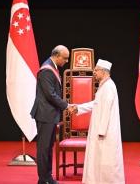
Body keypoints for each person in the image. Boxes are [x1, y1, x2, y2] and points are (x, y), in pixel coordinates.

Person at [70, 59, 125, 184]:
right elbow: (96, 104)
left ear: (104, 72)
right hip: (101, 130)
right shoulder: (104, 85)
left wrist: (101, 131)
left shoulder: (109, 87)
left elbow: (106, 110)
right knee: (99, 159)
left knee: (107, 160)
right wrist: (78, 107)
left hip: (105, 132)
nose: (94, 72)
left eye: (96, 70)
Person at [31, 45, 71, 184]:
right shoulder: (47, 70)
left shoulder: (52, 67)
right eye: (65, 58)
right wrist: (66, 106)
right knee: (43, 148)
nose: (66, 61)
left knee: (48, 148)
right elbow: (50, 95)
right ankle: (43, 180)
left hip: (50, 115)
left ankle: (48, 177)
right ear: (57, 55)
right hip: (44, 115)